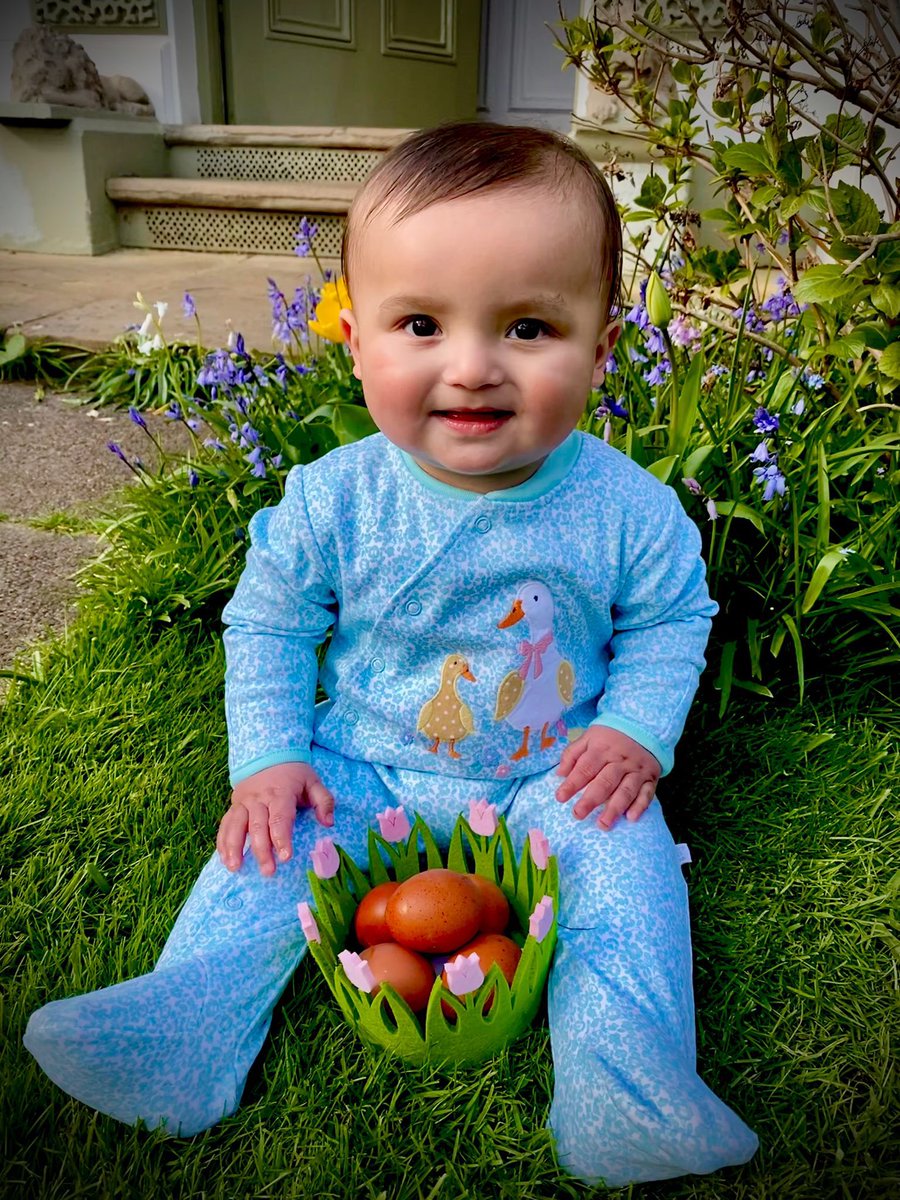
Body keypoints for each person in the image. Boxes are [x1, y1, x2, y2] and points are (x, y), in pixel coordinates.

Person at [25, 122, 758, 1187]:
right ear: (358, 341)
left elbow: (670, 617)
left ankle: (628, 1093)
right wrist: (270, 759)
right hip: (360, 766)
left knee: (629, 874)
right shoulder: (335, 499)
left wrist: (633, 731)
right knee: (260, 857)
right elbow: (272, 624)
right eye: (421, 323)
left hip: (550, 775)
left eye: (529, 328)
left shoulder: (626, 512)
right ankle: (173, 1036)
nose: (471, 368)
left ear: (602, 349)